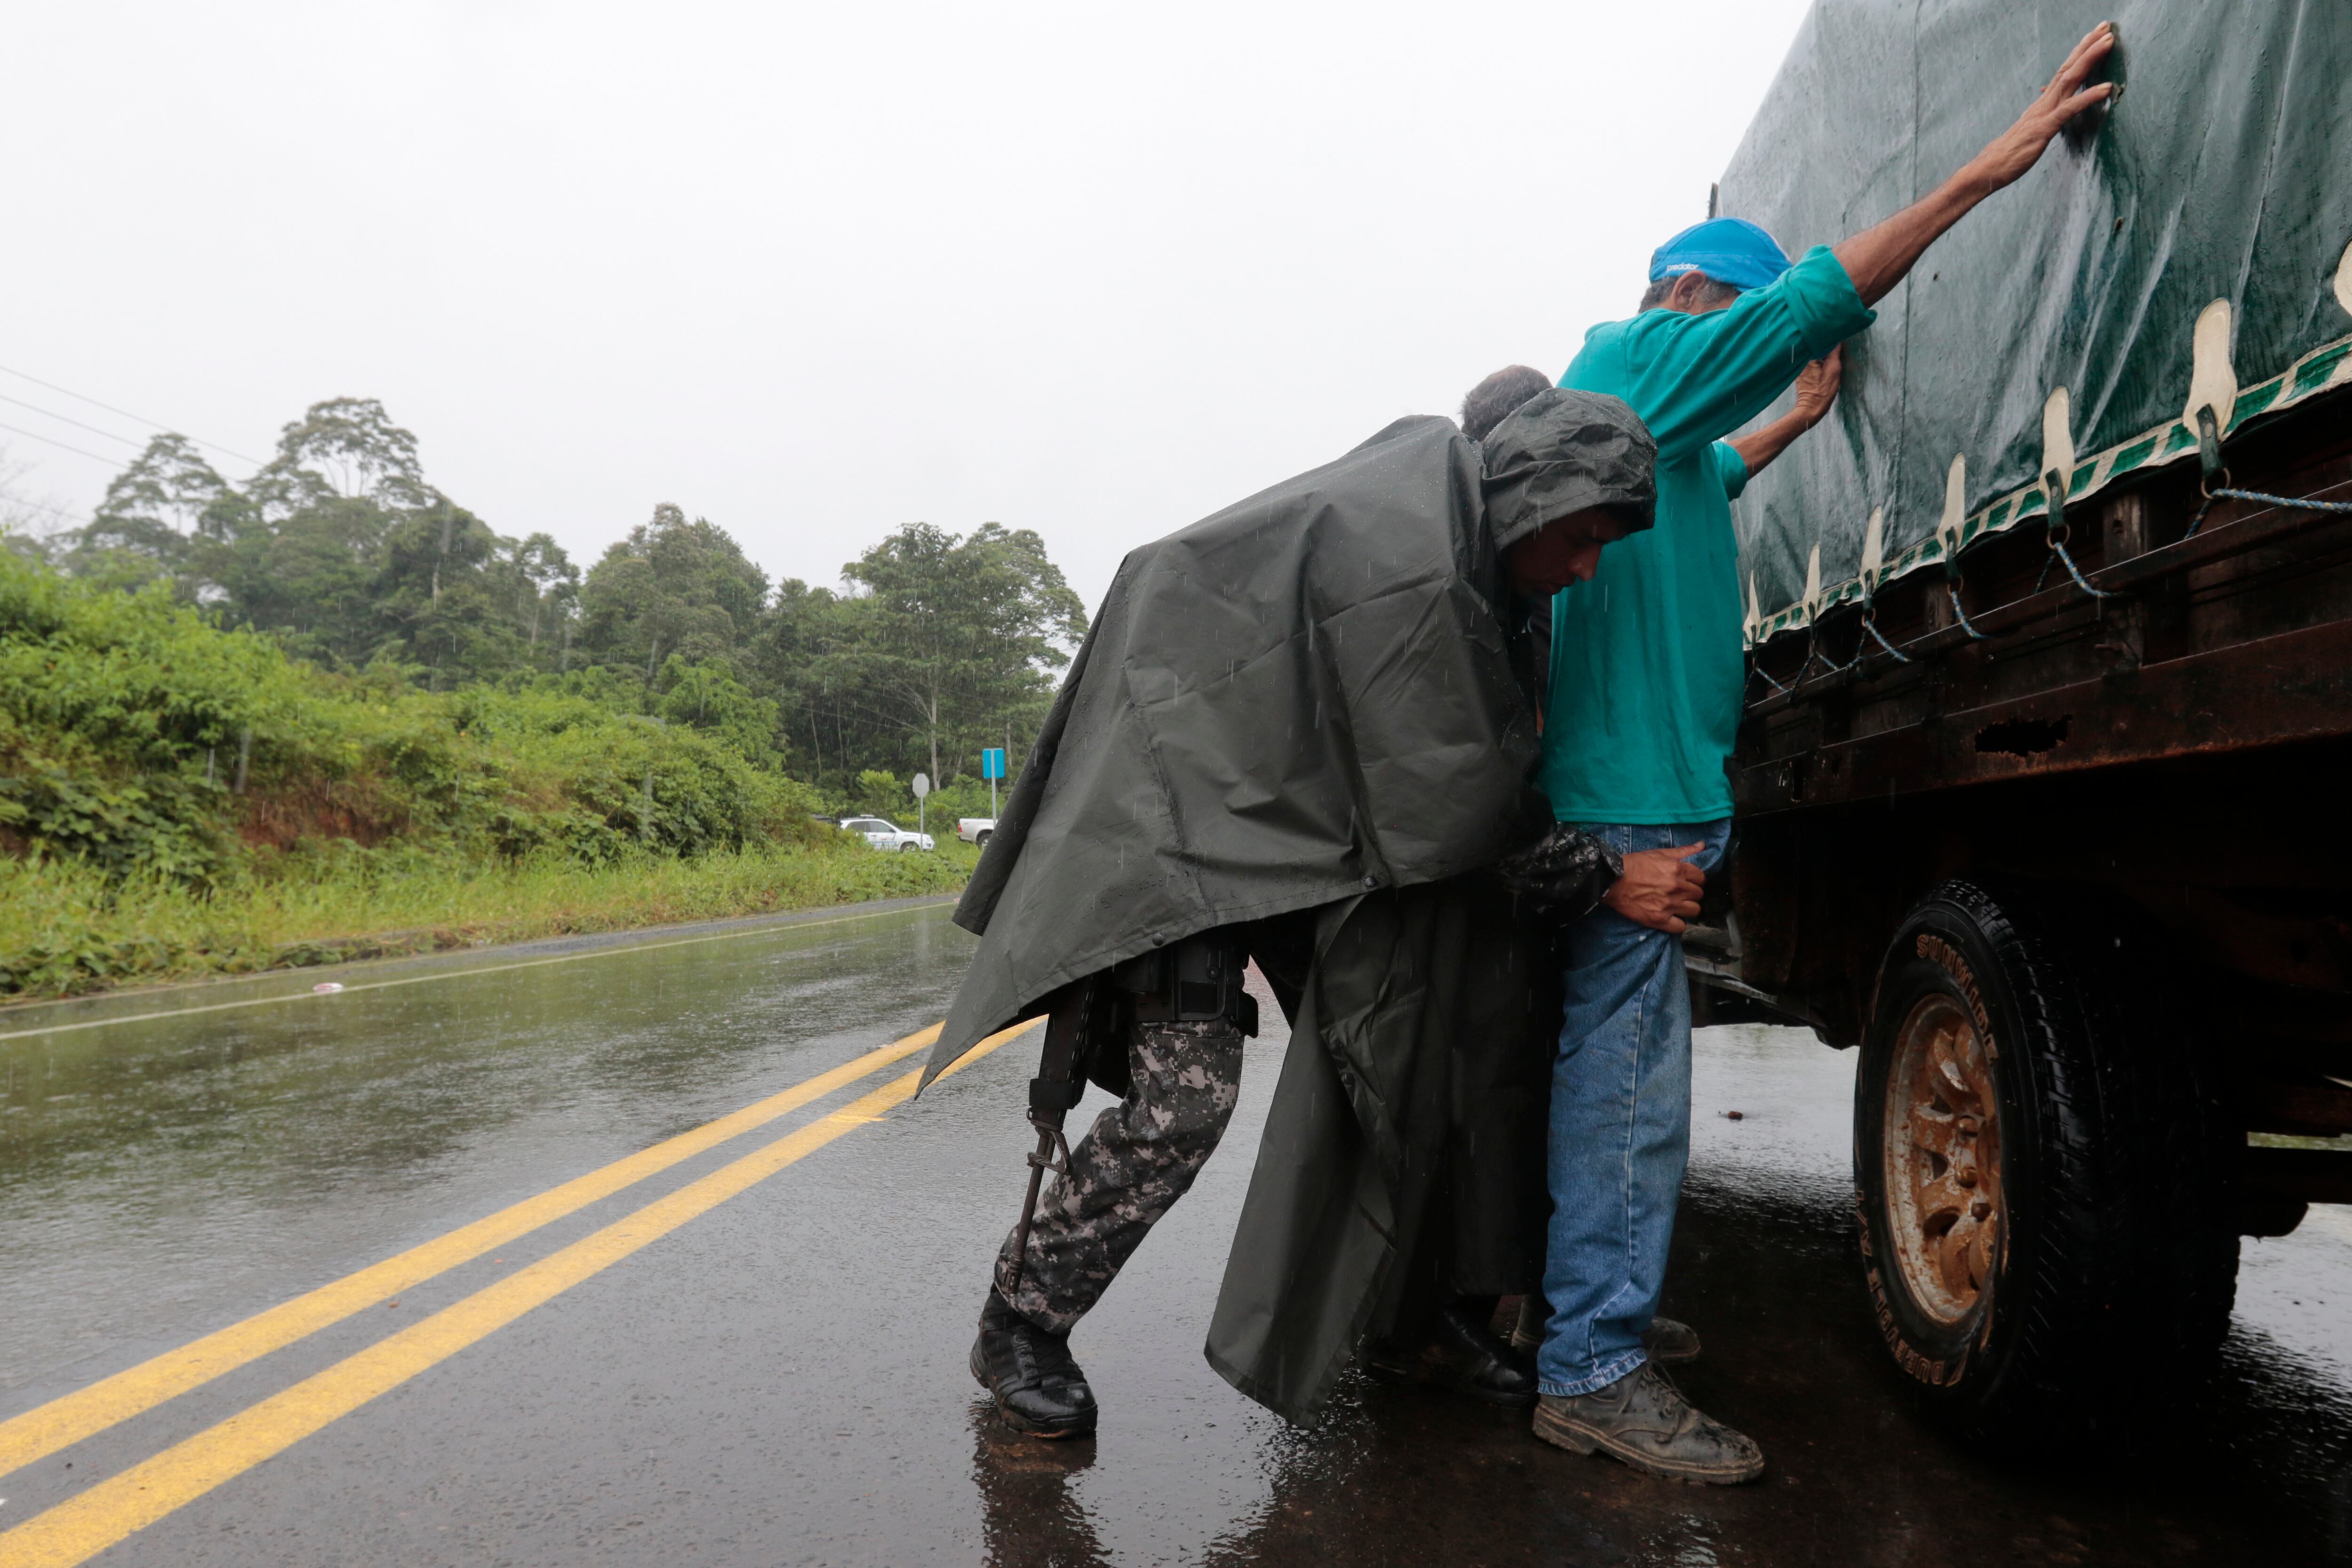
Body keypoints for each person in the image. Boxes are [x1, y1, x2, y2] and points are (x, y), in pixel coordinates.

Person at [1526, 22, 2122, 1485]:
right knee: (1627, 1104)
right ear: (1682, 298)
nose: (1738, 361)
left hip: (1660, 805)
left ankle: (1595, 1318)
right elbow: (1803, 303)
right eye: (1724, 327)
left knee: (1625, 1094)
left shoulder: (1656, 447)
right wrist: (2000, 155)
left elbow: (1728, 455)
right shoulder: (1620, 368)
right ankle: (1589, 1366)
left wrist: (1796, 416)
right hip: (1629, 824)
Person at [924, 390, 1658, 1438]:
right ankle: (1020, 1320)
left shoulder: (1471, 532)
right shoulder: (1420, 557)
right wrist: (1598, 876)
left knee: (1408, 1058)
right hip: (1182, 814)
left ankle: (1407, 1320)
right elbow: (1453, 790)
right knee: (1184, 1103)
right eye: (1582, 535)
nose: (1588, 565)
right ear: (1529, 491)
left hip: (1302, 825)